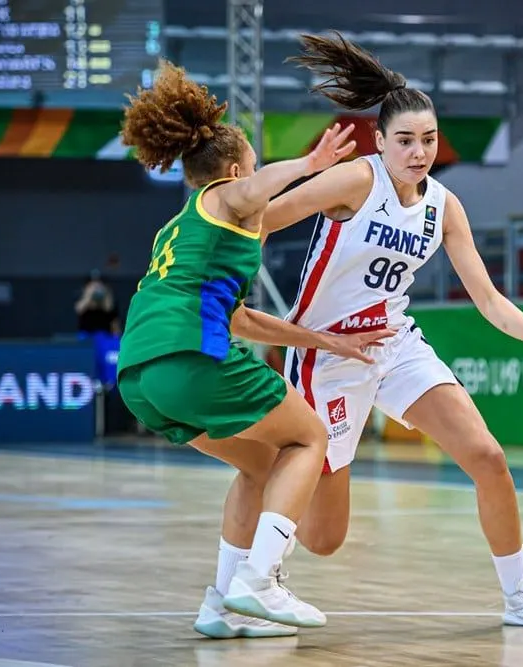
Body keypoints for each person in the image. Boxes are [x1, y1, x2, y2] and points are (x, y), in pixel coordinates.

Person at [193, 32, 523, 640]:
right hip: (326, 355)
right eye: (405, 141)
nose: (418, 152)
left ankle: (521, 596)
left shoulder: (445, 205)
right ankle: (232, 587)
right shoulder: (354, 182)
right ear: (379, 142)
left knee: (487, 457)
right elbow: (260, 220)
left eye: (428, 140)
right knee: (325, 537)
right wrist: (225, 294)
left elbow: (487, 299)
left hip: (394, 344)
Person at [115, 59, 392, 632]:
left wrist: (325, 339)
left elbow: (241, 318)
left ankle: (220, 604)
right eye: (256, 168)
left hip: (142, 376)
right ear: (239, 167)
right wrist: (312, 165)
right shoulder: (228, 198)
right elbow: (249, 189)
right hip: (191, 359)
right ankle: (260, 579)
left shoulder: (183, 228)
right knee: (310, 435)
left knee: (263, 466)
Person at [75, 270, 121, 336]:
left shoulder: (109, 299)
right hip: (85, 335)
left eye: (99, 284)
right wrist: (89, 295)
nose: (96, 288)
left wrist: (105, 295)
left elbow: (110, 310)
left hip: (104, 334)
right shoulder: (82, 297)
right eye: (92, 284)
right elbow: (79, 309)